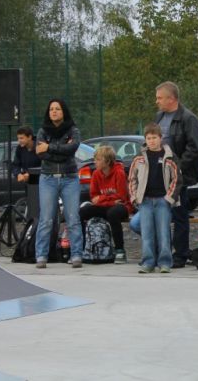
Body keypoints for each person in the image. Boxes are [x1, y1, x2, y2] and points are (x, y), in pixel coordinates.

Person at [154, 81, 198, 268]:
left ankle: (180, 255)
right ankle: (162, 252)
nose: (157, 101)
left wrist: (177, 168)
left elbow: (194, 147)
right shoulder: (159, 117)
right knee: (160, 215)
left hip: (181, 177)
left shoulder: (188, 118)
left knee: (180, 215)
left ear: (171, 98)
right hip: (160, 176)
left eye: (160, 98)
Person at [34, 99, 83, 269]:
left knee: (73, 218)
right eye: (51, 109)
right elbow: (40, 154)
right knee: (46, 219)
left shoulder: (73, 130)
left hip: (69, 177)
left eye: (58, 109)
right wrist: (59, 148)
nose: (54, 112)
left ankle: (76, 254)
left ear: (64, 112)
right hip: (48, 178)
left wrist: (49, 147)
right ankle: (41, 255)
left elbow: (71, 150)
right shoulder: (42, 132)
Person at [128, 124, 182, 273]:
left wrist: (168, 198)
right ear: (145, 139)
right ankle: (148, 262)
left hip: (162, 201)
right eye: (148, 138)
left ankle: (165, 262)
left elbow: (176, 179)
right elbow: (132, 178)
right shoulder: (139, 158)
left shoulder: (169, 156)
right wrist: (134, 197)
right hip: (144, 201)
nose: (151, 141)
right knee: (147, 233)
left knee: (164, 233)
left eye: (154, 138)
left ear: (161, 138)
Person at [80, 146, 132, 263]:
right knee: (82, 212)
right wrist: (109, 200)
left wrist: (102, 199)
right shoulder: (96, 174)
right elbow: (94, 197)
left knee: (112, 213)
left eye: (98, 159)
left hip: (122, 206)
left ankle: (120, 250)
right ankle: (83, 248)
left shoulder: (119, 173)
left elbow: (122, 197)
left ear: (107, 161)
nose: (95, 162)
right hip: (107, 205)